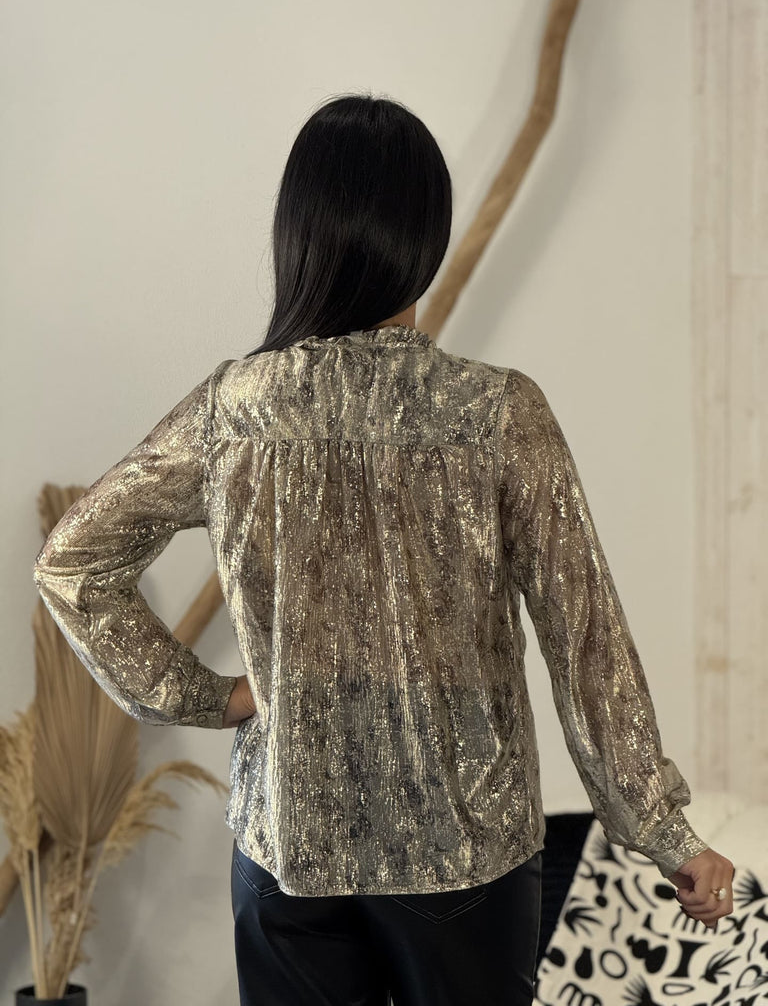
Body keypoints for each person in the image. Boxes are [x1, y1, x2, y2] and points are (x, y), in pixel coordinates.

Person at [33, 92, 735, 1006]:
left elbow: (74, 561)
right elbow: (584, 635)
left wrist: (212, 698)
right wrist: (663, 830)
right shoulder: (497, 413)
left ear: (299, 234)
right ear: (425, 238)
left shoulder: (236, 409)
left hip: (288, 844)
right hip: (464, 848)